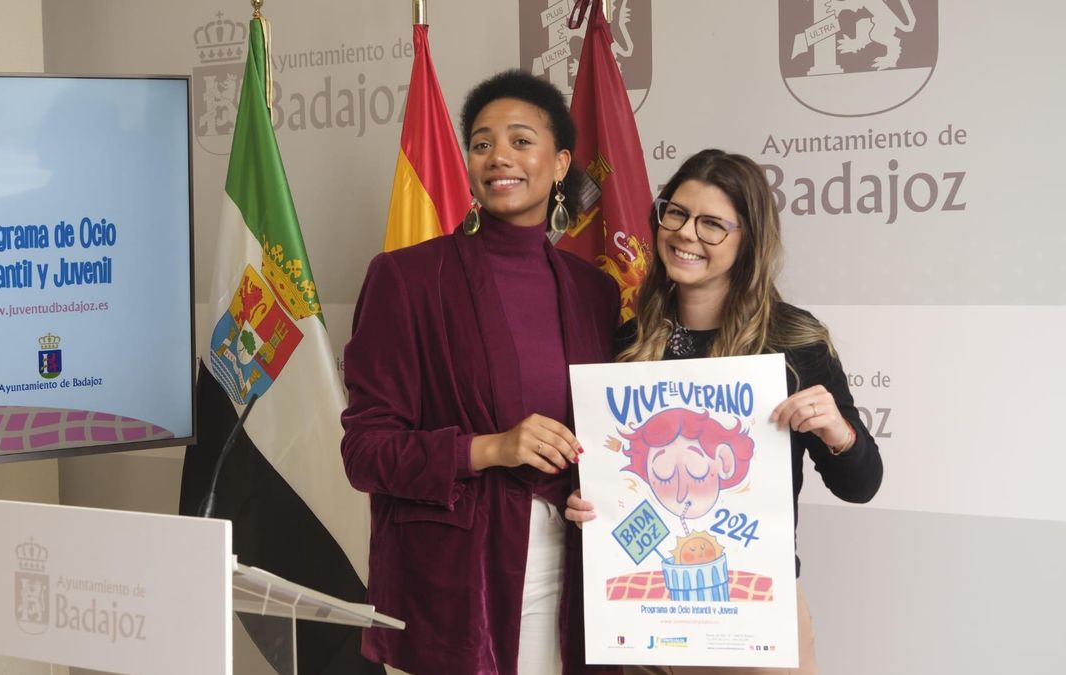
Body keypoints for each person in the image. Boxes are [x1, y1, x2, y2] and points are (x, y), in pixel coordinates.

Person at [340, 69, 620, 675]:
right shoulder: (407, 278)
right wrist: (491, 448)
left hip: (573, 574)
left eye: (521, 141)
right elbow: (364, 451)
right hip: (450, 589)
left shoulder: (595, 291)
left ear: (561, 161)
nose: (500, 158)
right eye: (483, 142)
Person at [566, 149, 884, 675]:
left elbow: (862, 484)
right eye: (676, 213)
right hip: (645, 624)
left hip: (753, 625)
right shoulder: (626, 342)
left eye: (712, 224)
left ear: (748, 242)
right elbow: (614, 482)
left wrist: (838, 432)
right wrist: (588, 501)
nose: (687, 233)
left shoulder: (792, 341)